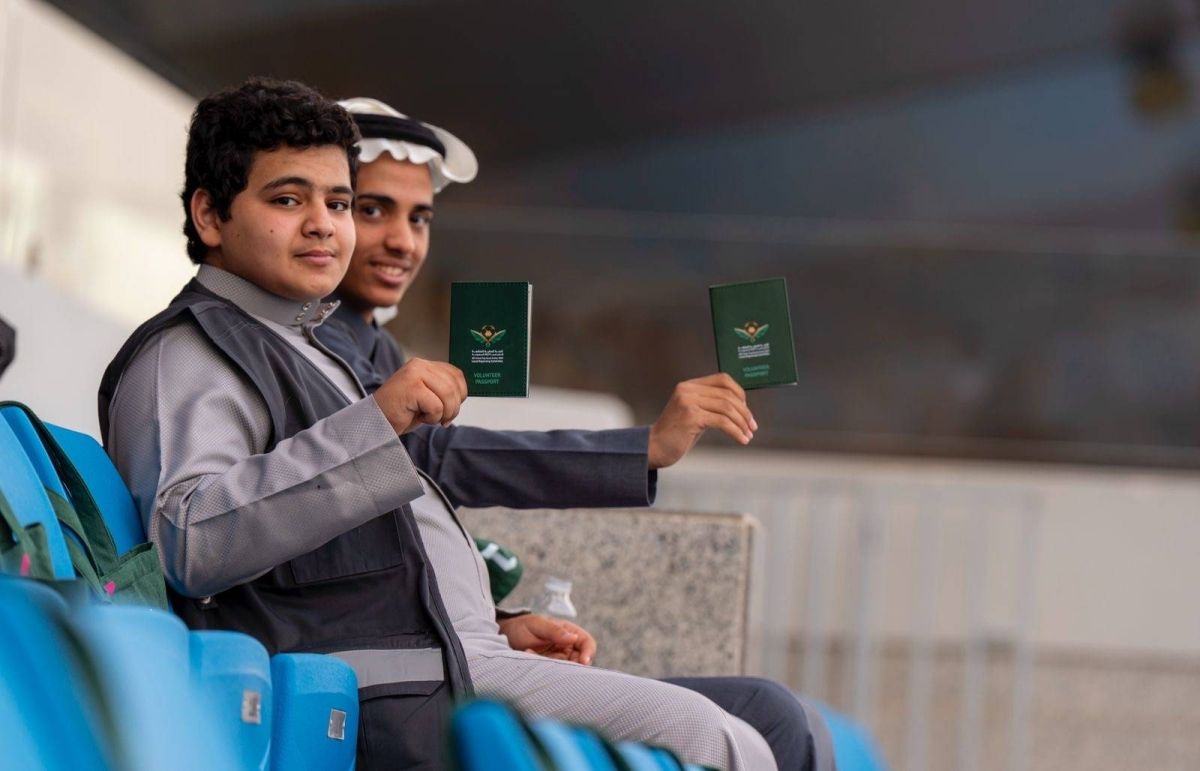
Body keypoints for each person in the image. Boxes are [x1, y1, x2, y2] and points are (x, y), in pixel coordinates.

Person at [99, 77, 776, 770]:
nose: (323, 224)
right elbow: (190, 543)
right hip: (382, 694)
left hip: (436, 665)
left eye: (338, 203)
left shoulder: (300, 342)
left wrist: (493, 623)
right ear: (210, 215)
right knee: (716, 738)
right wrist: (376, 424)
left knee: (749, 726)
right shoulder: (191, 351)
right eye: (288, 200)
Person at [314, 97, 835, 771]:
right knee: (745, 723)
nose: (403, 242)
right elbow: (435, 456)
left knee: (774, 711)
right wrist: (644, 447)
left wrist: (504, 621)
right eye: (372, 209)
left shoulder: (373, 348)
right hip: (421, 682)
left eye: (419, 218)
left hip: (465, 651)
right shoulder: (313, 352)